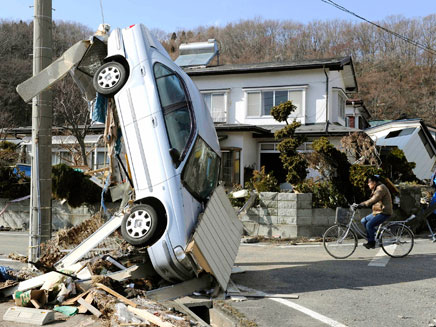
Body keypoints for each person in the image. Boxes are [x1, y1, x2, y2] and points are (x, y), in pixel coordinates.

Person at [355, 175, 393, 249]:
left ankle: (371, 243)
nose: (368, 184)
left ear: (374, 182)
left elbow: (374, 199)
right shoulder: (376, 188)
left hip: (384, 212)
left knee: (369, 225)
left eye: (369, 182)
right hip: (377, 212)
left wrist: (362, 204)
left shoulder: (381, 188)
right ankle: (376, 234)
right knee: (363, 221)